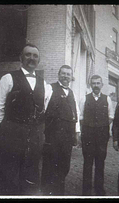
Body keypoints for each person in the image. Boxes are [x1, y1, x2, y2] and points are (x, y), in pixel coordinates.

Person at [0, 43, 52, 195]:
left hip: (34, 138)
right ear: (21, 57)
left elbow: (43, 108)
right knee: (9, 174)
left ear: (39, 60)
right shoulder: (8, 78)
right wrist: (4, 130)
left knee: (30, 175)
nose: (32, 58)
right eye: (28, 54)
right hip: (11, 136)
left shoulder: (44, 84)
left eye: (35, 55)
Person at [40, 65, 81, 195]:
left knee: (64, 166)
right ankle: (47, 193)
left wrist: (77, 131)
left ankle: (59, 193)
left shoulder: (72, 93)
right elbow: (42, 108)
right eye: (63, 73)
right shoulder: (49, 88)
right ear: (58, 75)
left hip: (67, 137)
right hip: (52, 135)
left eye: (68, 74)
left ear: (71, 77)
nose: (65, 76)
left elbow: (76, 114)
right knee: (49, 165)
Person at [79, 75, 114, 196]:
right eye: (94, 83)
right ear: (90, 85)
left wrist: (101, 128)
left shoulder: (107, 99)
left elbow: (110, 117)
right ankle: (86, 189)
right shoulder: (84, 99)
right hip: (88, 136)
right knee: (87, 162)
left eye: (98, 83)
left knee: (100, 162)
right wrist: (89, 128)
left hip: (102, 137)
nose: (96, 86)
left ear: (102, 85)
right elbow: (81, 118)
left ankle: (99, 188)